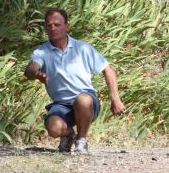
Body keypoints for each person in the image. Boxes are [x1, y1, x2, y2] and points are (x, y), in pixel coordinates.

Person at [24, 9, 126, 154]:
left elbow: (108, 70)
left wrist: (115, 99)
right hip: (61, 104)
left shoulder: (83, 48)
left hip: (86, 101)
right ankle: (68, 135)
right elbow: (30, 69)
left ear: (67, 26)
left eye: (57, 25)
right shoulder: (42, 51)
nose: (52, 28)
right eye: (49, 25)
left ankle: (81, 140)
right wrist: (35, 74)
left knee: (82, 99)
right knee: (53, 128)